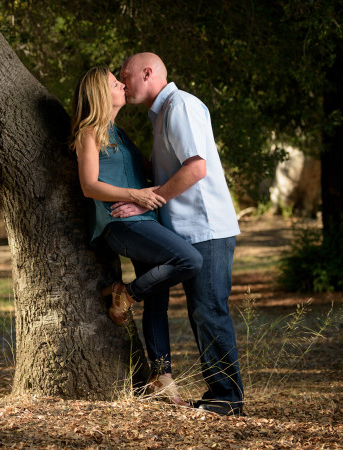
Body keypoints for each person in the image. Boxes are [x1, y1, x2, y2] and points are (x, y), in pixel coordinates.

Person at [117, 52, 244, 416]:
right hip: (186, 230)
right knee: (201, 312)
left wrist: (147, 203)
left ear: (148, 73)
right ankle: (217, 394)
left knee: (209, 311)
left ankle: (228, 399)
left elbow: (196, 169)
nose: (123, 84)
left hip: (207, 228)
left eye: (126, 76)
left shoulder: (180, 106)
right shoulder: (162, 113)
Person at [69, 66, 203, 406]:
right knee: (189, 259)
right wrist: (135, 196)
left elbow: (150, 169)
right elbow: (89, 185)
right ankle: (124, 293)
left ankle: (162, 379)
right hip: (121, 225)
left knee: (158, 296)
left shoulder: (121, 133)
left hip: (146, 220)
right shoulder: (89, 132)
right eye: (116, 83)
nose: (122, 85)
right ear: (102, 94)